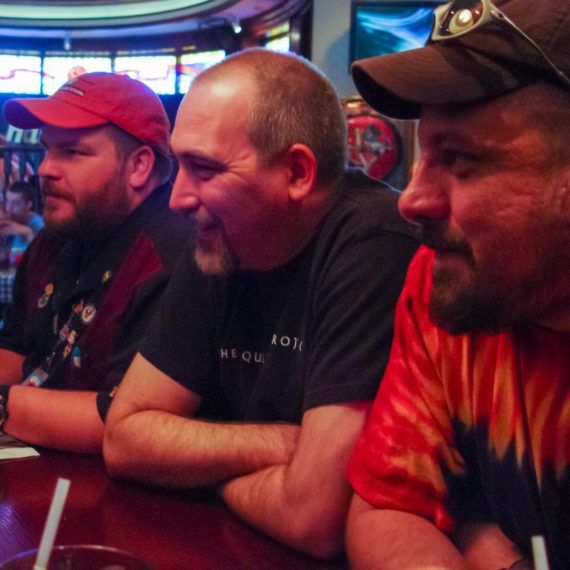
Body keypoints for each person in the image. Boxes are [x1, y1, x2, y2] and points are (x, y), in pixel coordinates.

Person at [102, 48, 418, 558]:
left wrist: (206, 473)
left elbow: (315, 516)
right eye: (179, 165)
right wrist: (280, 446)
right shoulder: (221, 241)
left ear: (297, 172)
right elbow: (124, 439)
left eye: (203, 169)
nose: (178, 198)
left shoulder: (374, 243)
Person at [345, 1, 570, 569]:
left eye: (461, 159)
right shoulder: (448, 283)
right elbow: (390, 510)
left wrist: (481, 538)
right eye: (423, 154)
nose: (412, 199)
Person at [0, 72, 192, 453]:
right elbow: (17, 350)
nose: (45, 169)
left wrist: (4, 405)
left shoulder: (174, 254)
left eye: (73, 152)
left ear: (139, 166)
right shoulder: (53, 240)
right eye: (47, 149)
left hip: (118, 497)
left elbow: (123, 421)